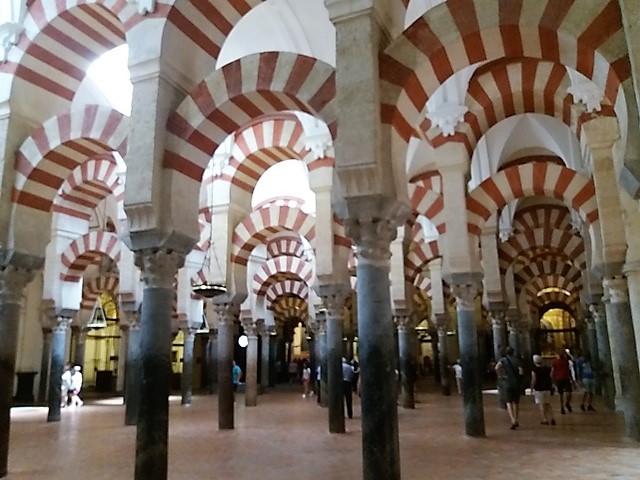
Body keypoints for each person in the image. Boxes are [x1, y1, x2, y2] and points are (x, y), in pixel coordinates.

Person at [495, 346, 523, 430]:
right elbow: (521, 371)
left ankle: (513, 419)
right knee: (516, 402)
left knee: (508, 402)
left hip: (507, 382)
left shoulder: (503, 360)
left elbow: (496, 368)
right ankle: (516, 418)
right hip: (516, 383)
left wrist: (500, 375)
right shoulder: (517, 360)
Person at [530, 354, 556, 425]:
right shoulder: (547, 369)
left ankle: (545, 419)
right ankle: (552, 417)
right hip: (547, 387)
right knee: (547, 403)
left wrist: (531, 388)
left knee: (541, 404)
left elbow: (534, 379)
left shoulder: (534, 370)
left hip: (539, 388)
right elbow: (551, 377)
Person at [551, 349, 574, 414]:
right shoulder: (555, 361)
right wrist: (553, 380)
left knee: (569, 392)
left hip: (566, 378)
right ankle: (562, 407)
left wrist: (571, 379)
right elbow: (553, 370)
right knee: (560, 394)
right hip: (559, 378)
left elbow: (568, 369)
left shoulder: (566, 361)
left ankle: (567, 403)